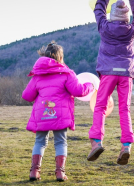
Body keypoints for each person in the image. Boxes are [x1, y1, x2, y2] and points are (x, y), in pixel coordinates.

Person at [87, 0, 134, 165]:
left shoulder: (104, 27)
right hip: (126, 74)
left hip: (108, 72)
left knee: (100, 106)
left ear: (112, 16)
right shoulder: (132, 30)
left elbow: (98, 9)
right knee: (124, 109)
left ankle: (96, 142)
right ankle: (126, 145)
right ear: (127, 17)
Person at [22, 41, 94, 181]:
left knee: (40, 142)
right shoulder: (67, 73)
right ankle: (60, 173)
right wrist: (90, 85)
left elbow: (26, 96)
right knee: (60, 142)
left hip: (41, 115)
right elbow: (79, 91)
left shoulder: (37, 76)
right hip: (60, 115)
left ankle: (34, 171)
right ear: (60, 57)